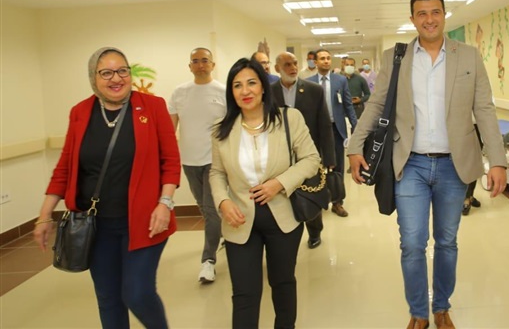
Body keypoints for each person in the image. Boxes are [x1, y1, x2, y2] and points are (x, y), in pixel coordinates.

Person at [348, 0, 507, 329]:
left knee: (447, 241)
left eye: (435, 12)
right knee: (412, 243)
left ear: (444, 14)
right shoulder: (396, 57)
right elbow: (376, 104)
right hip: (411, 164)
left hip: (454, 165)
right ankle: (419, 312)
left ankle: (442, 308)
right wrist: (354, 146)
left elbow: (484, 109)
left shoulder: (469, 56)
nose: (429, 19)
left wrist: (497, 160)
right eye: (422, 13)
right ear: (412, 19)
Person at [33, 47, 181, 329]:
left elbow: (170, 161)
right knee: (108, 298)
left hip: (146, 221)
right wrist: (44, 215)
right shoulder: (80, 112)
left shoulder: (152, 106)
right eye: (107, 73)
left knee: (137, 294)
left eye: (122, 70)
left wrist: (165, 203)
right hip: (96, 226)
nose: (117, 78)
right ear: (94, 77)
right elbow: (65, 166)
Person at [209, 58, 320, 329]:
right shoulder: (221, 128)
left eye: (251, 83)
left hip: (283, 217)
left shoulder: (289, 118)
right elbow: (216, 172)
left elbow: (311, 159)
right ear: (231, 92)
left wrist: (279, 183)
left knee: (282, 284)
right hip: (239, 220)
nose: (245, 91)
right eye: (237, 85)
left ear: (263, 87)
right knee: (244, 294)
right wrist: (223, 202)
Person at [168, 47, 226, 283]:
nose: (200, 65)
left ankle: (208, 261)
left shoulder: (223, 92)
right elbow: (170, 129)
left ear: (213, 64)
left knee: (211, 210)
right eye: (195, 61)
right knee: (204, 207)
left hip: (215, 161)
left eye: (204, 60)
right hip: (189, 161)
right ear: (189, 66)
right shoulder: (179, 93)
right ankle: (222, 233)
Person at [271, 51, 336, 248]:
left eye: (294, 63)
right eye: (287, 65)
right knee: (284, 195)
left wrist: (329, 158)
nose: (292, 68)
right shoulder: (269, 92)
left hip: (308, 154)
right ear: (277, 69)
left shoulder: (314, 90)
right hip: (279, 154)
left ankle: (315, 232)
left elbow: (324, 125)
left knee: (310, 193)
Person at [308, 48, 357, 217]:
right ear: (315, 62)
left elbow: (348, 104)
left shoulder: (340, 80)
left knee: (337, 167)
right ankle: (319, 200)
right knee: (316, 166)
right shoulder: (308, 83)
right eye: (322, 58)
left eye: (328, 58)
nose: (326, 61)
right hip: (316, 131)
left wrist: (355, 125)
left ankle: (337, 202)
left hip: (336, 129)